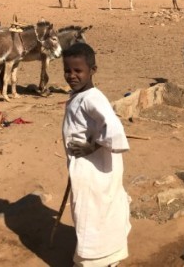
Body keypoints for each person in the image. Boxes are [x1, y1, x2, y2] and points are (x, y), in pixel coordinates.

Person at [61, 43, 131, 267]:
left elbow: (114, 129)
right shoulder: (80, 95)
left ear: (93, 70)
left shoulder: (92, 98)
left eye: (78, 70)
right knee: (98, 212)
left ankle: (93, 260)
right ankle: (106, 257)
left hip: (93, 170)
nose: (72, 75)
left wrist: (92, 147)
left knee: (91, 213)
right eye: (67, 70)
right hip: (91, 167)